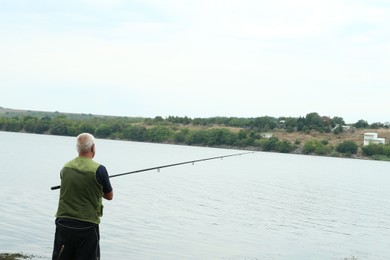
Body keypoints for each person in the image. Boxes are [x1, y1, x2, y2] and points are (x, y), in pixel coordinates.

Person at [52, 133, 113, 260]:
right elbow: (109, 195)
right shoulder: (100, 170)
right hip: (87, 225)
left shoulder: (66, 167)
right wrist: (97, 189)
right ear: (93, 148)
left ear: (77, 148)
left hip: (63, 222)